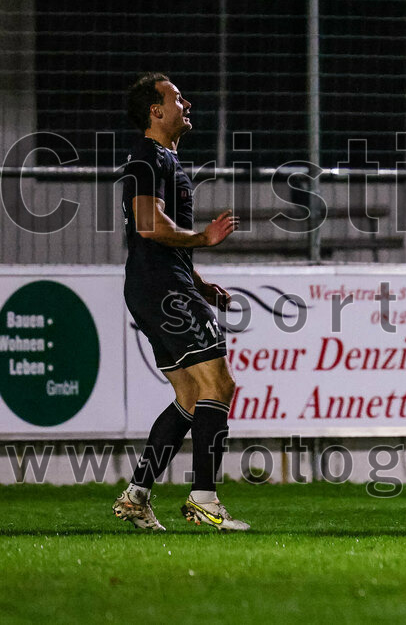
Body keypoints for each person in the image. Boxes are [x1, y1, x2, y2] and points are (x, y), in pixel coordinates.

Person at [112, 73, 248, 532]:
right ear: (156, 111)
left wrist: (199, 279)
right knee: (220, 384)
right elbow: (149, 225)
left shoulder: (166, 160)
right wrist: (204, 239)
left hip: (160, 284)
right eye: (176, 98)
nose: (185, 103)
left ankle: (137, 495)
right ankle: (203, 498)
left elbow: (159, 237)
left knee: (191, 396)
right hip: (161, 287)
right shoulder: (146, 159)